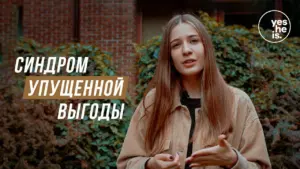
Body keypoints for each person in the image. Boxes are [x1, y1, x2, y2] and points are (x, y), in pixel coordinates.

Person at [117, 14, 271, 169]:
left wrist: (234, 161)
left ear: (206, 48)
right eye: (176, 45)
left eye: (194, 41)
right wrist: (149, 165)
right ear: (169, 56)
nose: (186, 50)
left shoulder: (238, 102)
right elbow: (125, 164)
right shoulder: (153, 101)